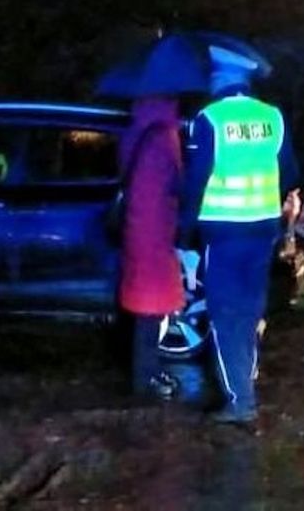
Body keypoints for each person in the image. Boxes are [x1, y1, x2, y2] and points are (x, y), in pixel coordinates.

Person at [178, 45, 300, 425]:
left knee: (224, 316)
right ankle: (244, 383)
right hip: (264, 230)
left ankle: (240, 401)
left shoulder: (209, 119)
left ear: (218, 79)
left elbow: (196, 183)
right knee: (248, 312)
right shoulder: (273, 118)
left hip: (223, 233)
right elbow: (291, 173)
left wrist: (183, 239)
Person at [119, 96, 185, 400]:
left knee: (147, 309)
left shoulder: (137, 131)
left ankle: (146, 373)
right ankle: (144, 380)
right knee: (151, 311)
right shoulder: (162, 137)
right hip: (155, 230)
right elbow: (174, 185)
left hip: (139, 228)